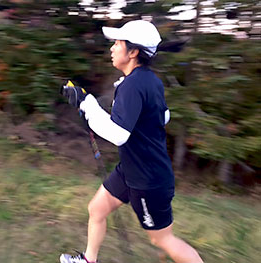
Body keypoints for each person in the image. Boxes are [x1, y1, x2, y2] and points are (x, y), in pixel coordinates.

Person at [60, 20, 204, 263]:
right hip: (130, 170)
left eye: (118, 43)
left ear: (133, 51)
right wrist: (103, 106)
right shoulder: (147, 80)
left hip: (148, 180)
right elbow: (162, 116)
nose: (112, 48)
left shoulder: (134, 85)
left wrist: (87, 104)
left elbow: (118, 134)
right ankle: (89, 260)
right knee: (96, 209)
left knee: (162, 239)